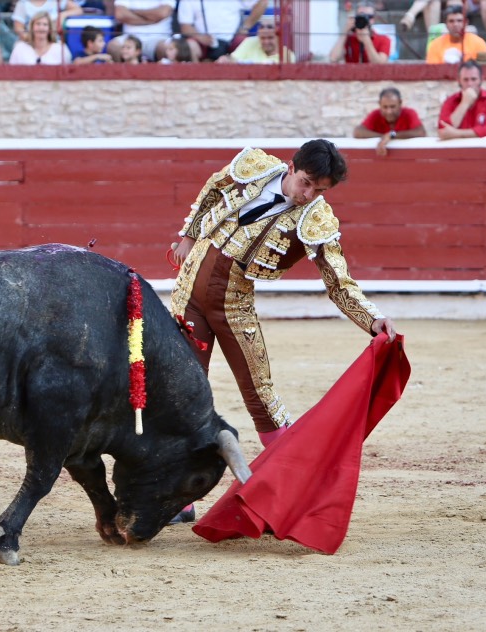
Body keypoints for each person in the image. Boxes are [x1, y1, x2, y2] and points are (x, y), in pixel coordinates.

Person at [169, 139, 397, 452]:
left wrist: (372, 319)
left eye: (320, 190)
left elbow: (338, 281)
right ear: (291, 168)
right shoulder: (253, 167)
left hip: (233, 305)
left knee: (260, 393)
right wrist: (188, 236)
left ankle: (287, 466)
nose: (309, 195)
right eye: (306, 183)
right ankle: (176, 475)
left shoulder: (316, 220)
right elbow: (213, 188)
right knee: (182, 386)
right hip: (188, 294)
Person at [175, 0, 267, 62]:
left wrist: (245, 27)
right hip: (203, 42)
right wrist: (200, 37)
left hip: (232, 40)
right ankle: (195, 77)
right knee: (189, 45)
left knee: (247, 43)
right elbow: (185, 26)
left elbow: (262, 2)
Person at [438, 59, 486, 138]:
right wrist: (464, 103)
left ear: (481, 80)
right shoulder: (450, 101)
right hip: (459, 146)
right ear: (459, 81)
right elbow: (443, 130)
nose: (470, 84)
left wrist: (457, 133)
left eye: (474, 79)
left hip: (484, 146)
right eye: (465, 80)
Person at [354, 87, 426, 156]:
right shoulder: (376, 114)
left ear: (400, 103)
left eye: (392, 107)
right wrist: (384, 137)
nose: (389, 111)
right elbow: (358, 132)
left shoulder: (409, 113)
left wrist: (392, 135)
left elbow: (421, 132)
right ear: (380, 104)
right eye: (385, 107)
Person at [107, 0, 175, 62]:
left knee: (166, 48)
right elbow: (120, 14)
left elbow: (162, 13)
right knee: (113, 47)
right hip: (129, 37)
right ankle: (120, 71)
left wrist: (133, 11)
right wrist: (150, 20)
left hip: (158, 38)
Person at [216, 16, 295, 64]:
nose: (266, 42)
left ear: (279, 37)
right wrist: (226, 59)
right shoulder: (250, 42)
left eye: (270, 38)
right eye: (262, 38)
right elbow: (233, 59)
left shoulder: (288, 55)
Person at [11, 0, 81, 43]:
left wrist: (62, 15)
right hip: (29, 43)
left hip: (54, 42)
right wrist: (36, 40)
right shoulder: (22, 3)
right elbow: (18, 28)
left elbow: (78, 10)